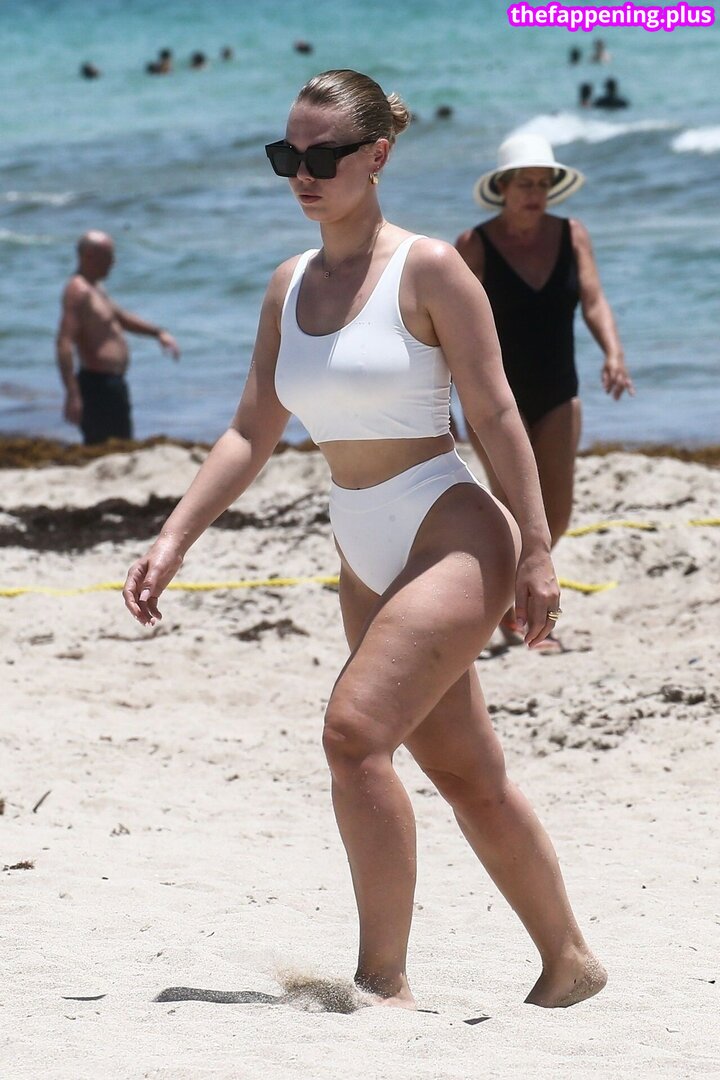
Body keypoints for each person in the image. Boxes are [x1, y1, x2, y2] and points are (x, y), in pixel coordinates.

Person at [123, 69, 606, 1010]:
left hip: (449, 527)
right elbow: (251, 430)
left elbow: (496, 412)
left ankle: (382, 984)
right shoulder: (287, 285)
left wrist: (538, 548)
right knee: (467, 773)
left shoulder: (429, 268)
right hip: (360, 541)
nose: (303, 175)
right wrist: (176, 537)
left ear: (378, 154)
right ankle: (569, 961)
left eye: (324, 156)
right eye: (286, 157)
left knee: (353, 736)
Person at [455, 133, 634, 650]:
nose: (535, 193)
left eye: (543, 183)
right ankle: (520, 617)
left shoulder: (572, 235)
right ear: (503, 188)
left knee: (555, 515)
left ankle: (513, 605)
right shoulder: (474, 245)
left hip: (559, 389)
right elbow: (446, 324)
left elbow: (594, 301)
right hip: (493, 399)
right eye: (525, 184)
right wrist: (440, 392)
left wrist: (614, 353)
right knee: (513, 510)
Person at [56, 231, 180, 445]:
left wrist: (158, 333)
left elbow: (121, 318)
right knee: (105, 446)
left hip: (112, 384)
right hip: (96, 387)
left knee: (121, 442)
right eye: (108, 256)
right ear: (89, 256)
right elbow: (64, 342)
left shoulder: (95, 288)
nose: (113, 262)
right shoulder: (77, 291)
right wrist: (72, 393)